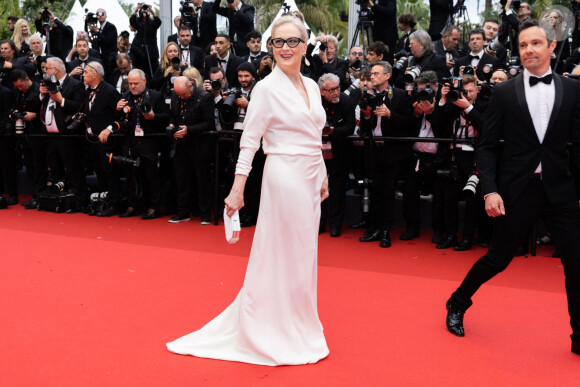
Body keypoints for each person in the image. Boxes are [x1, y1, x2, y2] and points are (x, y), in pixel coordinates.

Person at [167, 15, 330, 366]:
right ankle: (273, 327)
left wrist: (324, 173)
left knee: (303, 254)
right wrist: (237, 189)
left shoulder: (313, 86)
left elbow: (315, 136)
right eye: (278, 42)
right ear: (271, 47)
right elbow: (249, 141)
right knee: (281, 253)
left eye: (292, 41)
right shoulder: (266, 88)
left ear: (305, 45)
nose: (285, 48)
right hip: (283, 174)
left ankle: (298, 322)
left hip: (310, 174)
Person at [445, 19, 580, 357]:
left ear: (551, 47)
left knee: (577, 263)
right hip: (517, 189)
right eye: (522, 45)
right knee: (499, 257)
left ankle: (579, 335)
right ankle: (458, 301)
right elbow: (487, 146)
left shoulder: (573, 90)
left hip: (561, 189)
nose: (528, 50)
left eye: (535, 43)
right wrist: (489, 190)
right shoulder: (504, 92)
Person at [116, 69, 168, 220]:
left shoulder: (156, 96)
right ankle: (134, 205)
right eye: (130, 83)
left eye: (135, 83)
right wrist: (117, 109)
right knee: (131, 176)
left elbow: (166, 117)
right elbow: (118, 119)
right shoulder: (125, 96)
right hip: (130, 142)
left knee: (151, 176)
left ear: (144, 81)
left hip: (149, 142)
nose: (132, 86)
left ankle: (154, 207)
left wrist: (153, 117)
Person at [39, 57, 88, 212]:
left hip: (68, 135)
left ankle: (79, 201)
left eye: (47, 68)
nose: (45, 71)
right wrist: (41, 95)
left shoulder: (75, 84)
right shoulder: (47, 85)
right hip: (50, 135)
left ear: (56, 69)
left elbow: (80, 106)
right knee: (54, 167)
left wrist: (61, 100)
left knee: (73, 168)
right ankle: (58, 199)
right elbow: (39, 105)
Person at [166, 77, 215, 225]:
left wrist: (189, 130)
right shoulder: (176, 95)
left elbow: (209, 123)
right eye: (178, 94)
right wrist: (172, 125)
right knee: (182, 180)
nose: (181, 97)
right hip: (180, 145)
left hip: (199, 145)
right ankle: (182, 213)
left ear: (191, 85)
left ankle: (205, 214)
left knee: (202, 181)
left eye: (184, 94)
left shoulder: (205, 97)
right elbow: (172, 115)